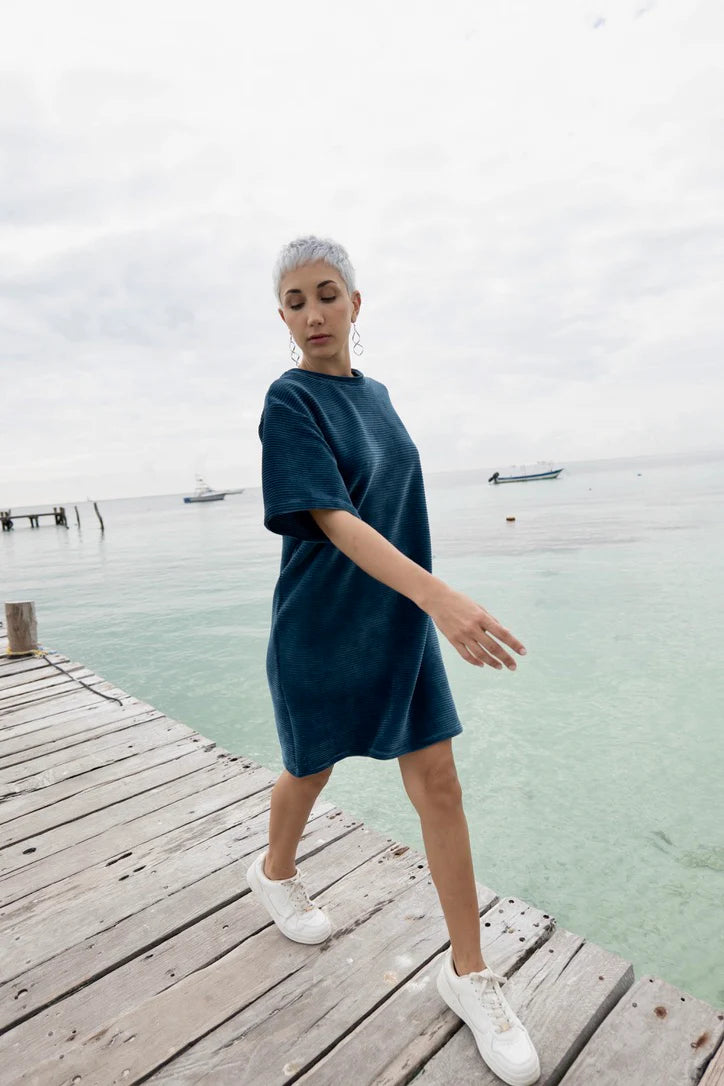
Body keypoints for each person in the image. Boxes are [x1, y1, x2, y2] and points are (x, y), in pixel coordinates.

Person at [247, 235, 540, 1086]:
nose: (314, 314)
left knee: (439, 784)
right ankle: (274, 874)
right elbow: (334, 519)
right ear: (284, 318)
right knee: (311, 768)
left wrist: (423, 604)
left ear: (355, 304)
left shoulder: (378, 397)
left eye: (327, 294)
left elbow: (393, 505)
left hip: (401, 621)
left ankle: (470, 972)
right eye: (296, 302)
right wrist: (440, 597)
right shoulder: (288, 401)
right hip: (322, 623)